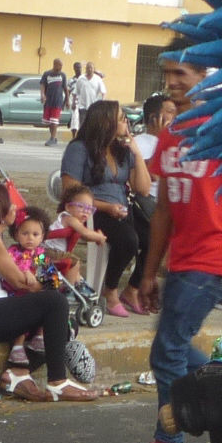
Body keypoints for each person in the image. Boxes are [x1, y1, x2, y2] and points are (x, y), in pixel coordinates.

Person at [126, 56, 222, 443]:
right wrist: (149, 273)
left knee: (165, 350)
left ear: (205, 76)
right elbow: (164, 211)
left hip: (215, 257)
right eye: (166, 75)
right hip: (182, 261)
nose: (170, 83)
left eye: (180, 75)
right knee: (178, 347)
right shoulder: (170, 137)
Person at [0, 183, 97, 400]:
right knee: (56, 304)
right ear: (0, 211)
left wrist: (39, 283)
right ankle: (57, 381)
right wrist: (40, 286)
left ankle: (18, 373)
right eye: (10, 204)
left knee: (66, 323)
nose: (15, 207)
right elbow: (19, 281)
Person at [61, 99, 153, 315]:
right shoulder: (79, 149)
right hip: (92, 211)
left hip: (123, 208)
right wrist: (105, 207)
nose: (126, 123)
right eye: (122, 119)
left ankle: (131, 290)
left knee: (155, 238)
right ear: (106, 122)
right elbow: (70, 192)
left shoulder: (121, 149)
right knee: (128, 241)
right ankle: (109, 292)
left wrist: (137, 154)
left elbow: (144, 189)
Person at [40, 57, 68, 144]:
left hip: (58, 101)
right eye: (59, 65)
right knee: (49, 121)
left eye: (62, 65)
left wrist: (67, 100)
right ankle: (53, 137)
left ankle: (52, 138)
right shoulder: (47, 74)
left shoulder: (62, 75)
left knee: (54, 120)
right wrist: (42, 95)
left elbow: (65, 88)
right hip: (49, 100)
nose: (61, 67)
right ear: (55, 64)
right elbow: (42, 85)